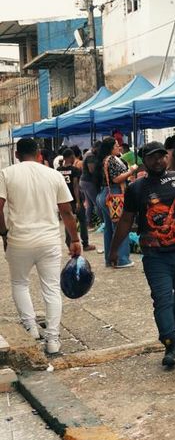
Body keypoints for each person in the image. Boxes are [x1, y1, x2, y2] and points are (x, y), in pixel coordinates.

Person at [109, 142, 175, 369]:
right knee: (162, 299)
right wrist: (114, 250)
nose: (158, 161)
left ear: (167, 158)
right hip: (155, 255)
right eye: (152, 157)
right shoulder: (136, 188)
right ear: (143, 160)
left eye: (161, 156)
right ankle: (170, 344)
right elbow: (126, 220)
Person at [0, 138, 81, 355]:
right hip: (49, 240)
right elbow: (66, 211)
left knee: (19, 283)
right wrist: (74, 240)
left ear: (16, 155)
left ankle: (31, 328)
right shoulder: (53, 175)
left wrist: (4, 233)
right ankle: (53, 340)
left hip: (19, 240)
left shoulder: (7, 174)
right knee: (51, 288)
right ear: (39, 154)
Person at [96, 136, 136, 268]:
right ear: (110, 148)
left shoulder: (105, 159)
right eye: (116, 145)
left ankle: (110, 259)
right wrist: (130, 171)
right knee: (120, 227)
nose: (119, 147)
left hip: (105, 195)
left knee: (109, 228)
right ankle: (121, 259)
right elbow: (116, 179)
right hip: (114, 195)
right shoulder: (112, 159)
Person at [56, 147, 93, 251]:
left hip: (64, 200)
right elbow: (76, 186)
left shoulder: (58, 171)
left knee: (68, 222)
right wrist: (78, 202)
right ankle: (85, 244)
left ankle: (69, 244)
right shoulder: (75, 170)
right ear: (72, 157)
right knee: (82, 221)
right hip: (74, 199)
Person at [79, 142, 101, 232]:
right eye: (99, 149)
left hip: (85, 181)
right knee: (97, 203)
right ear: (95, 148)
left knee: (89, 204)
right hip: (89, 182)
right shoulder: (91, 156)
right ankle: (102, 222)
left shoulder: (88, 153)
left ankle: (88, 224)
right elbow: (92, 170)